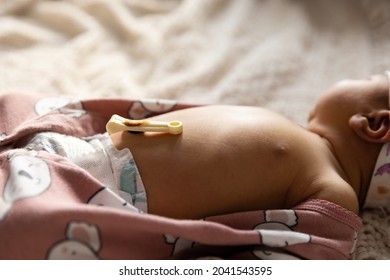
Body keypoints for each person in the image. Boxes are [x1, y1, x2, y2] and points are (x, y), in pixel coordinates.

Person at [106, 72, 390, 219]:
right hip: (97, 149)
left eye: (366, 79)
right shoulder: (306, 141)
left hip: (114, 197)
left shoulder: (334, 189)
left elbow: (298, 256)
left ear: (374, 123)